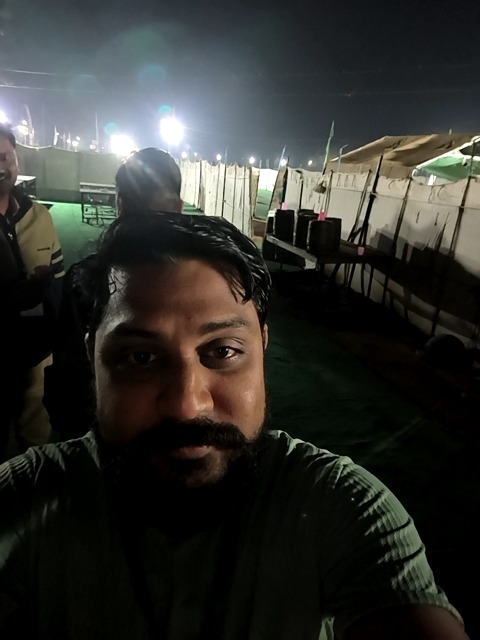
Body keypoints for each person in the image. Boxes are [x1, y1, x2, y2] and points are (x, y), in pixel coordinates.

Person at [0, 212, 469, 639]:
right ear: (92, 357)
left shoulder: (341, 507)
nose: (187, 406)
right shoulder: (23, 498)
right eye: (141, 357)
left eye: (222, 351)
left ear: (262, 347)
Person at [43, 147, 183, 439]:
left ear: (120, 204)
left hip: (99, 435)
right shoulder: (205, 281)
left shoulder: (84, 279)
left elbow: (69, 373)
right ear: (179, 207)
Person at [0, 124, 64, 460]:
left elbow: (59, 284)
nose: (0, 166)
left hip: (37, 356)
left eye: (5, 156)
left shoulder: (39, 217)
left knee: (35, 446)